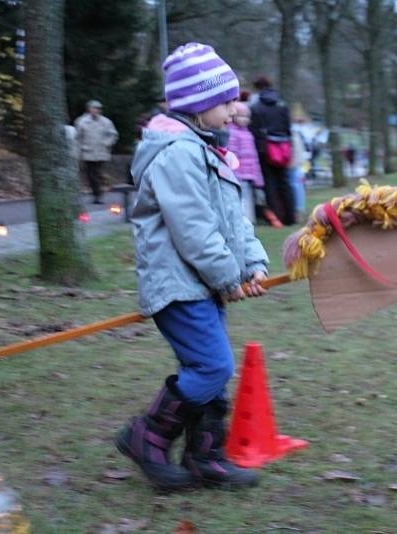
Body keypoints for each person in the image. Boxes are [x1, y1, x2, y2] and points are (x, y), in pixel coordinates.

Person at [118, 42, 269, 490]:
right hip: (177, 284)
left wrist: (253, 263)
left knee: (205, 365)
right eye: (225, 102)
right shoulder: (176, 153)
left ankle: (206, 458)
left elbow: (233, 222)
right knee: (213, 367)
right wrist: (227, 275)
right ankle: (146, 437)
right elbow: (194, 230)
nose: (233, 110)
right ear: (198, 105)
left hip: (200, 283)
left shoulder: (206, 149)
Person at [249, 76, 295, 225]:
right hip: (283, 148)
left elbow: (254, 130)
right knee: (285, 182)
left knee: (269, 184)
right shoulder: (282, 105)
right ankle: (290, 217)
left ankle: (276, 217)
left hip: (265, 149)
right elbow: (288, 128)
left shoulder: (256, 107)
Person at [74, 100, 118, 204]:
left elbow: (113, 135)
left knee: (97, 173)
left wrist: (107, 143)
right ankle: (97, 193)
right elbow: (77, 137)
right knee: (91, 174)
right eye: (93, 108)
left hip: (101, 151)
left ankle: (99, 192)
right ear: (89, 109)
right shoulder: (81, 121)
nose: (95, 110)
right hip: (87, 151)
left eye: (97, 108)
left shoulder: (106, 122)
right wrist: (78, 150)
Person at [227, 102, 263, 223]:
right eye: (241, 116)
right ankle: (240, 222)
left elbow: (254, 157)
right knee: (239, 201)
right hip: (238, 175)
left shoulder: (248, 134)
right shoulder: (232, 133)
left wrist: (258, 177)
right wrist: (233, 173)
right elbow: (232, 155)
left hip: (249, 176)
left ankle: (248, 223)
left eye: (247, 117)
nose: (244, 119)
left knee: (248, 201)